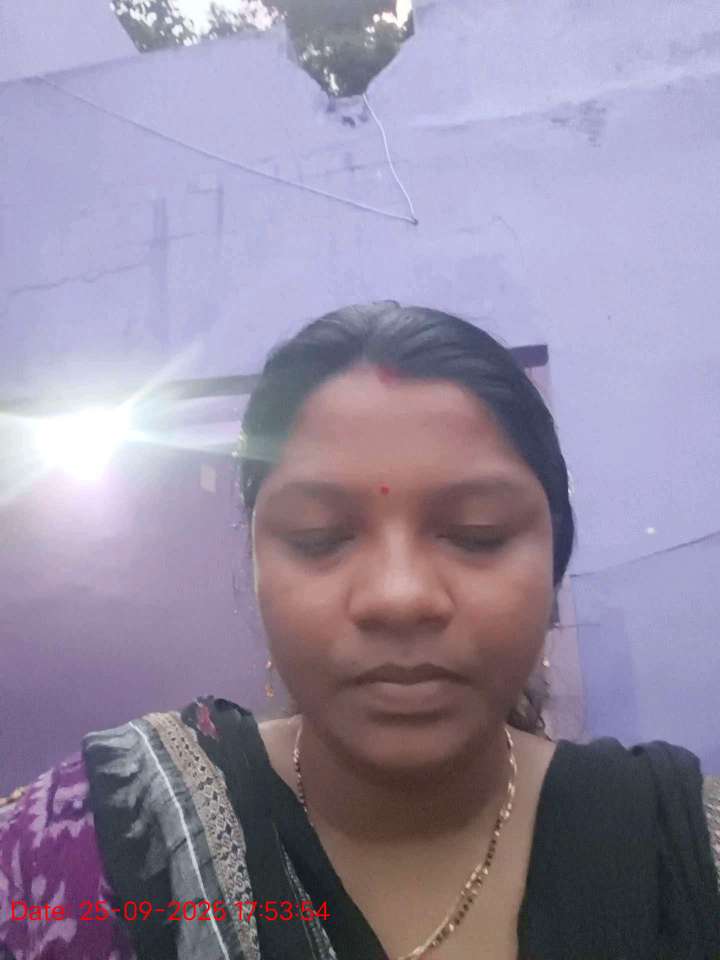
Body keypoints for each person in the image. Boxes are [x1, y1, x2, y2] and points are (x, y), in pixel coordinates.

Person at [1, 301, 719, 960]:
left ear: (552, 563)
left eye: (477, 533)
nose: (399, 596)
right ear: (256, 561)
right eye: (320, 538)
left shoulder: (688, 856)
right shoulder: (87, 843)